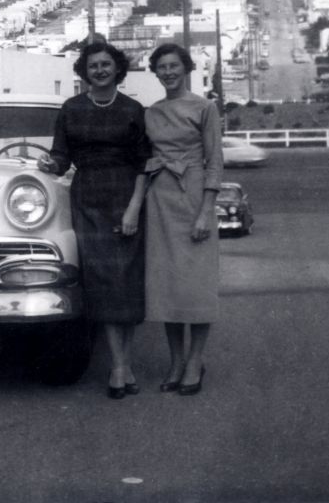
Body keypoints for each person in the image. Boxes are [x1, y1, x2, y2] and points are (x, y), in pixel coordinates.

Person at [38, 41, 149, 399]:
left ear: (117, 69)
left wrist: (133, 208)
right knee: (102, 282)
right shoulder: (71, 109)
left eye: (105, 64)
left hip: (125, 196)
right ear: (84, 72)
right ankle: (120, 367)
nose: (99, 70)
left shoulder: (133, 110)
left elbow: (145, 164)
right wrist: (49, 165)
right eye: (92, 66)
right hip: (86, 199)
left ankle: (123, 364)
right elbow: (60, 156)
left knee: (125, 282)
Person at [134, 42, 223, 396]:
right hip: (161, 200)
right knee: (167, 288)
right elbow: (145, 158)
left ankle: (195, 361)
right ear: (155, 72)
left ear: (185, 69)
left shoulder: (205, 107)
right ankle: (175, 362)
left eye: (173, 66)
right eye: (161, 67)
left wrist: (206, 210)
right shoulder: (151, 112)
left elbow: (215, 160)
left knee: (196, 286)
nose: (168, 72)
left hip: (194, 196)